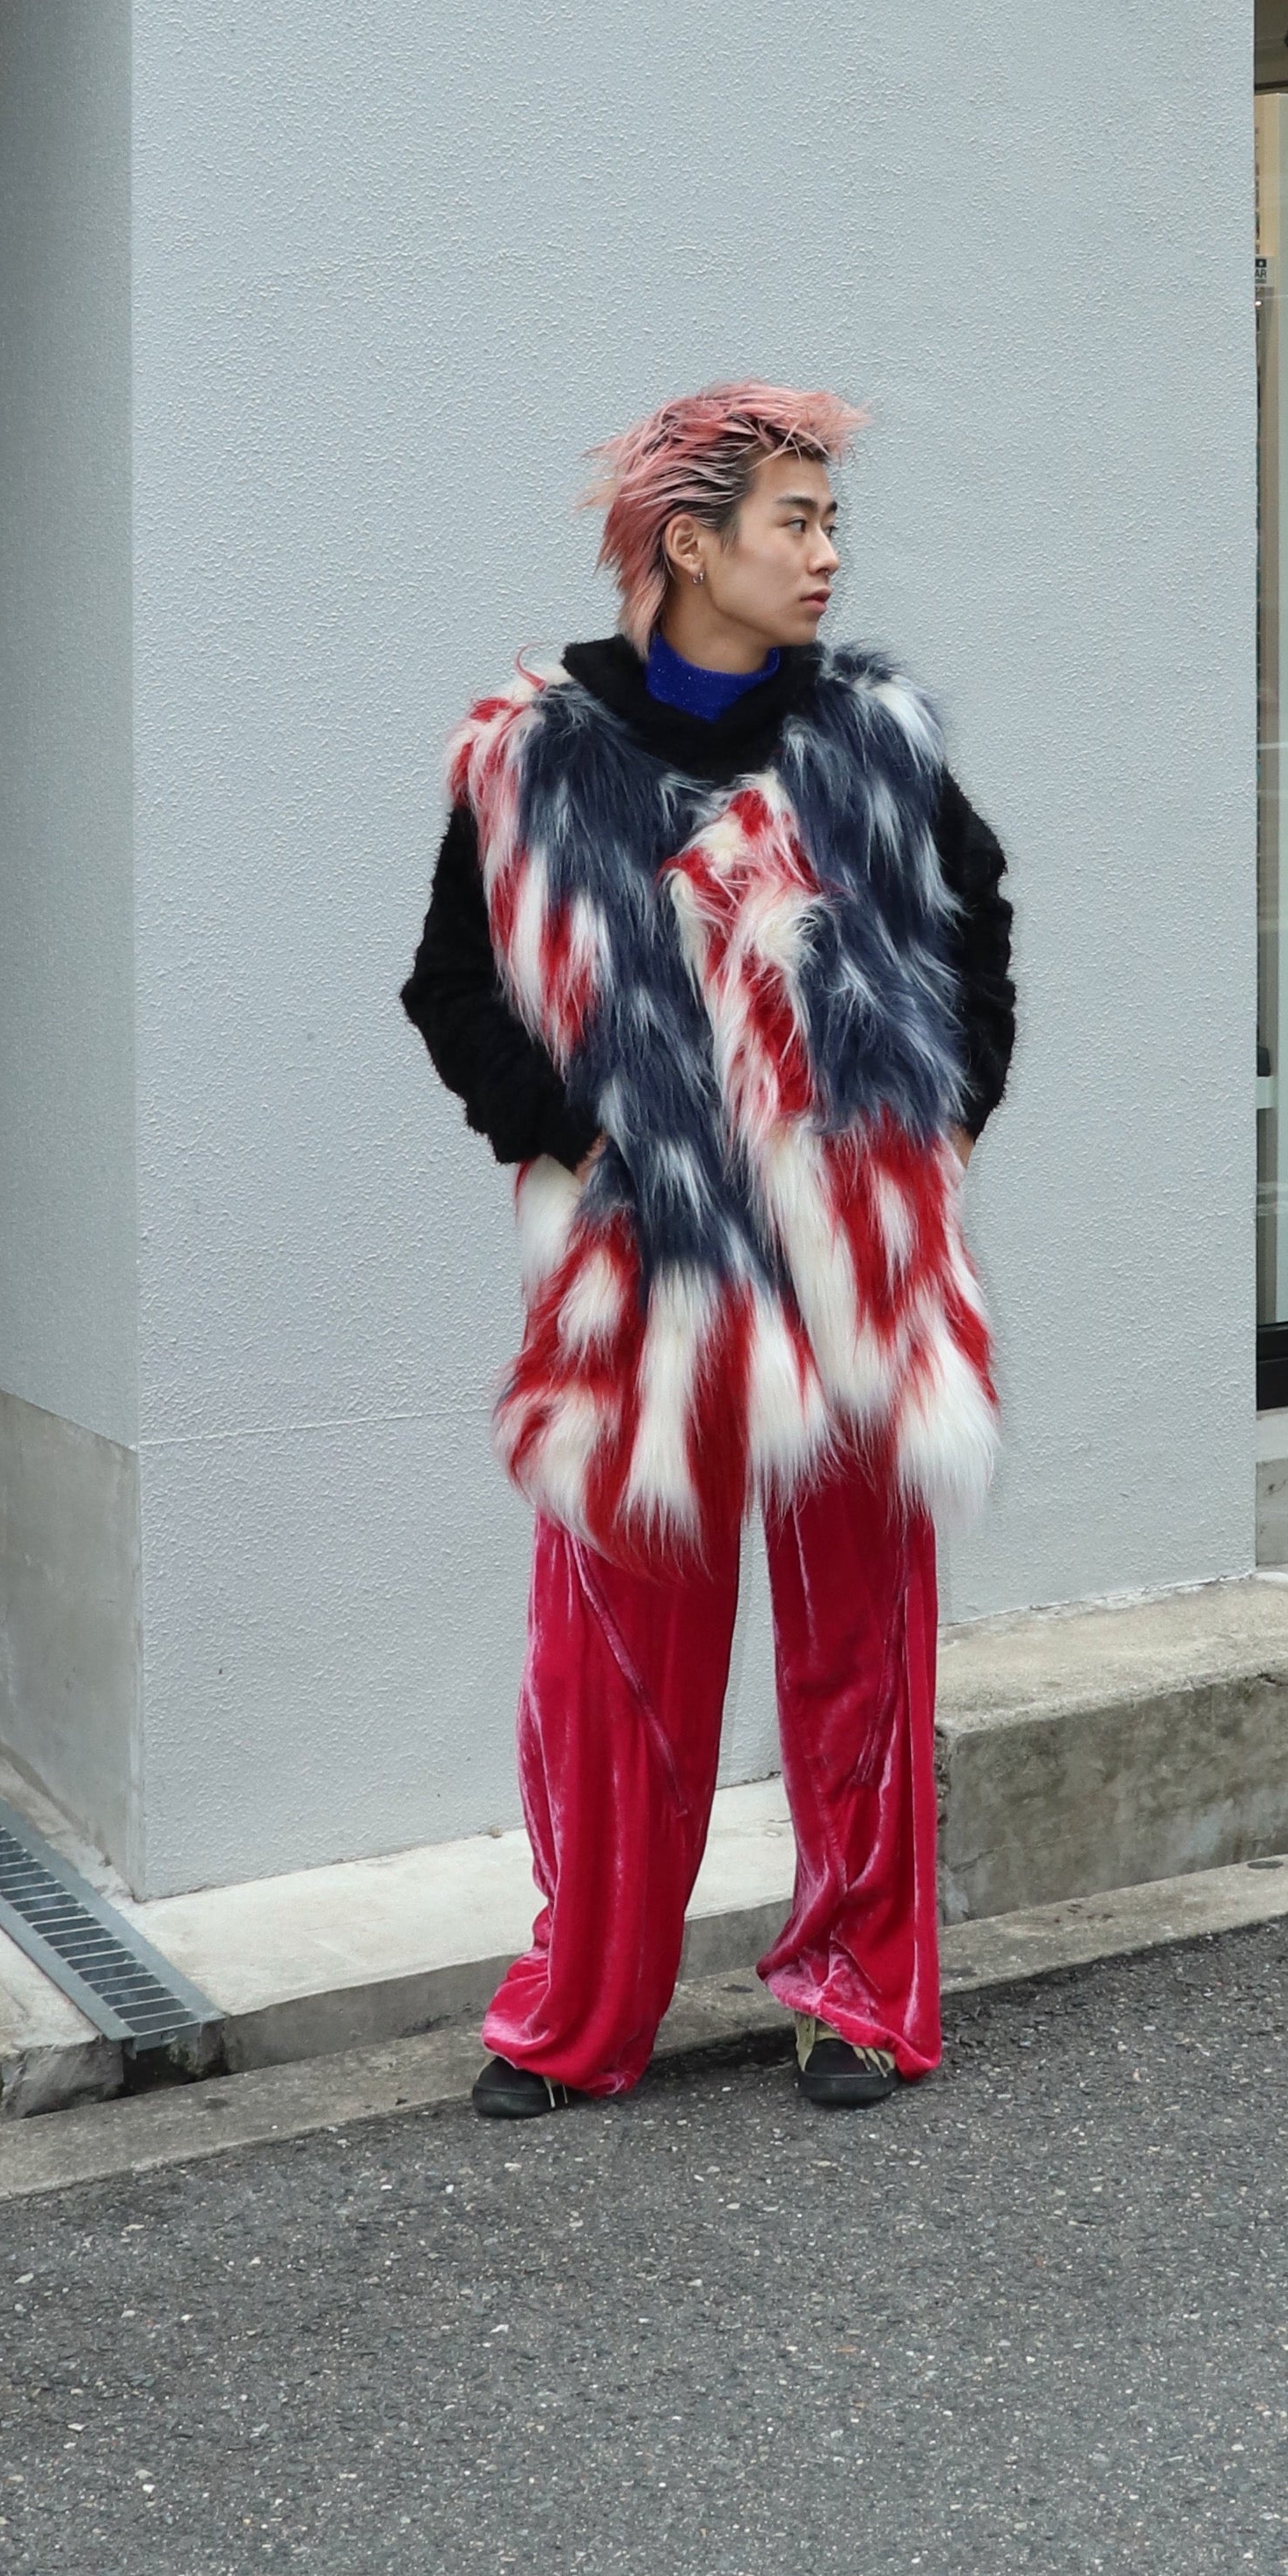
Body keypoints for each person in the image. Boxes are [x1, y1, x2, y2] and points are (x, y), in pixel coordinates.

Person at [401, 383, 1014, 2117]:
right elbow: (451, 984)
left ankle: (858, 1992)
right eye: (793, 523)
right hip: (644, 1264)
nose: (825, 557)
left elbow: (975, 939)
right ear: (690, 542)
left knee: (861, 1656)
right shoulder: (532, 755)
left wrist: (940, 1126)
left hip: (851, 1259)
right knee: (611, 1668)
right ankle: (579, 2011)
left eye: (830, 525)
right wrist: (573, 1135)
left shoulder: (869, 740)